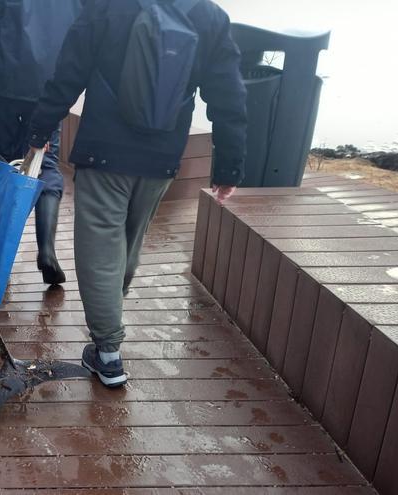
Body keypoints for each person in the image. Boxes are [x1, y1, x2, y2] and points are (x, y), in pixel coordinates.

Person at [27, 0, 248, 387]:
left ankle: (108, 354)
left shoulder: (107, 6)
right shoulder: (208, 16)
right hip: (161, 157)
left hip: (104, 151)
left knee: (100, 247)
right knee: (129, 242)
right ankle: (110, 317)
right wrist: (229, 166)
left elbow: (68, 74)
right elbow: (229, 97)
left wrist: (39, 132)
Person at [0, 0, 83, 285]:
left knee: (0, 164)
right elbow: (84, 28)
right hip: (50, 84)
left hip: (2, 82)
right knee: (46, 163)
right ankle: (47, 249)